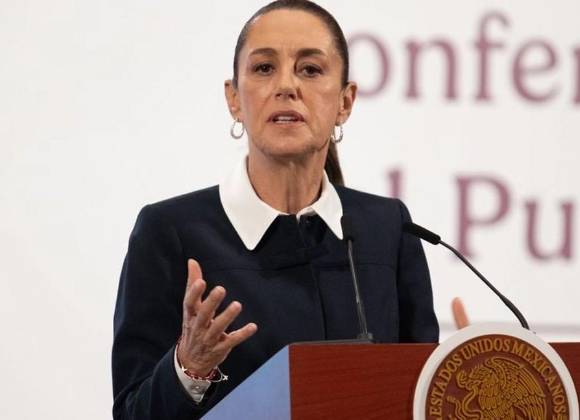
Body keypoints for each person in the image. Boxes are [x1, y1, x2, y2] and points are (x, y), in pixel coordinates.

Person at [112, 1, 439, 419]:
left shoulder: (387, 229)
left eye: (310, 70)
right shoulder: (170, 232)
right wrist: (188, 368)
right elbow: (132, 413)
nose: (286, 86)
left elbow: (418, 397)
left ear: (345, 102)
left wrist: (459, 379)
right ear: (234, 98)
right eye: (264, 68)